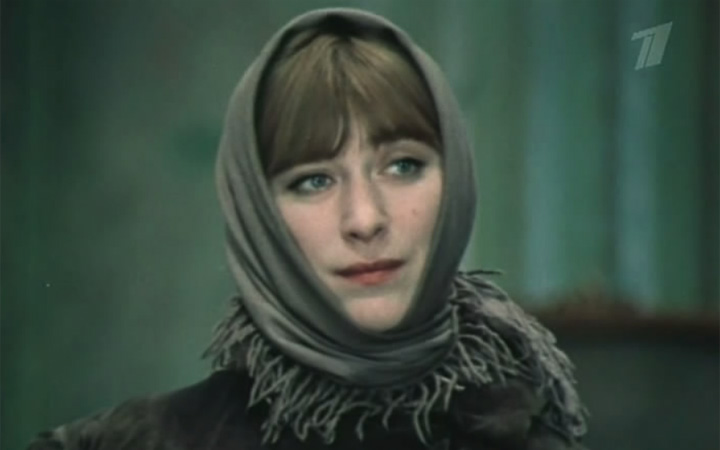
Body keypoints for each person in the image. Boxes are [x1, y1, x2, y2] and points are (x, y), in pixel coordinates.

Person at [27, 8, 588, 450]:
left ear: (456, 179)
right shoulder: (141, 442)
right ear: (258, 213)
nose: (365, 219)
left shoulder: (527, 428)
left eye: (403, 166)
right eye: (313, 181)